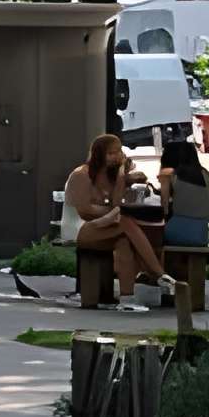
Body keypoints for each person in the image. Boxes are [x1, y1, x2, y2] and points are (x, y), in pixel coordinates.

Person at [63, 131, 168, 308]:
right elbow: (85, 210)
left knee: (124, 242)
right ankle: (158, 274)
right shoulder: (81, 174)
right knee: (126, 223)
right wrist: (110, 212)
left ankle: (127, 299)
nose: (116, 156)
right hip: (78, 226)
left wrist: (121, 174)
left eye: (119, 151)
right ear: (98, 154)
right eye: (111, 153)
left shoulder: (111, 176)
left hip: (103, 227)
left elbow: (117, 203)